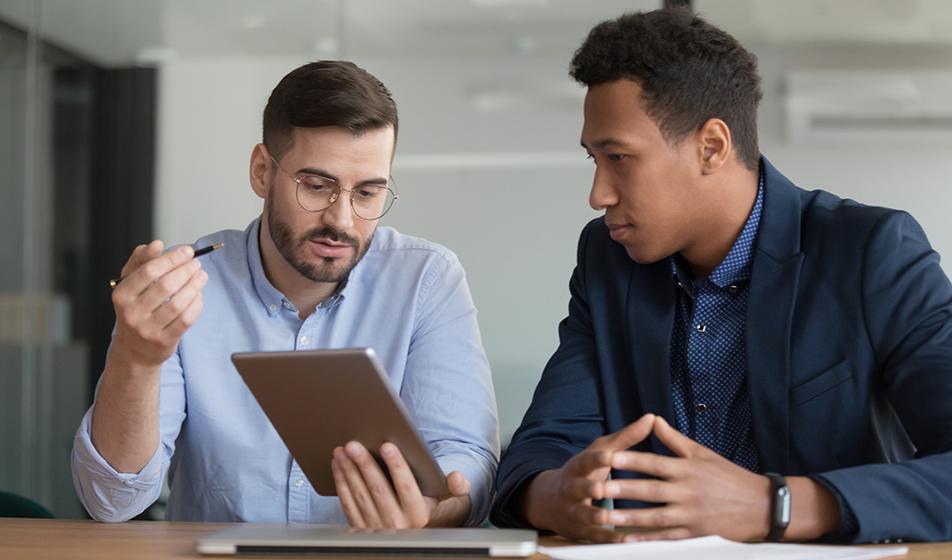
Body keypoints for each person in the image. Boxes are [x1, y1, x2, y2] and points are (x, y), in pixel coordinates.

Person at [490, 8, 952, 544]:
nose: (599, 194)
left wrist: (772, 505)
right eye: (593, 159)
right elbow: (540, 448)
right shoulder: (607, 260)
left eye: (618, 158)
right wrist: (556, 496)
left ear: (712, 145)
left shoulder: (873, 252)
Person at [71, 61, 499, 528]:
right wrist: (137, 358)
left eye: (368, 193)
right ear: (261, 172)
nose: (342, 219)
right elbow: (112, 501)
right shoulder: (182, 286)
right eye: (317, 186)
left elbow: (465, 455)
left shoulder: (426, 279)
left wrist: (437, 509)